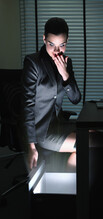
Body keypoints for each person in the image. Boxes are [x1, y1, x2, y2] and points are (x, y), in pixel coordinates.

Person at [22, 17, 81, 170]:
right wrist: (31, 146)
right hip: (41, 132)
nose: (57, 51)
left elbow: (75, 99)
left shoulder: (67, 62)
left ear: (67, 41)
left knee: (93, 135)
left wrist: (65, 75)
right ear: (44, 39)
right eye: (51, 44)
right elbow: (27, 106)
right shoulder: (33, 63)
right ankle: (69, 188)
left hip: (59, 124)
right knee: (87, 144)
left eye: (62, 45)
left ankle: (73, 185)